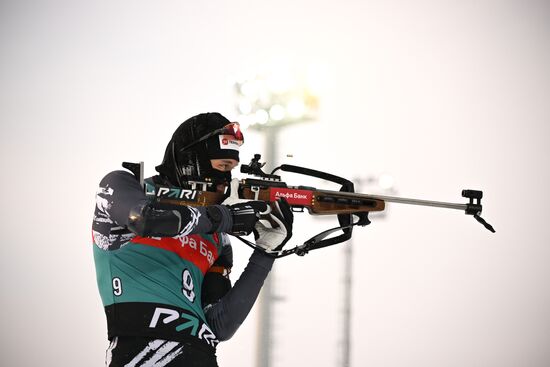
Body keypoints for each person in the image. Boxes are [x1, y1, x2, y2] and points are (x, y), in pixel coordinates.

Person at [92, 112, 293, 367]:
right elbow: (142, 219)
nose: (225, 182)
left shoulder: (217, 238)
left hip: (202, 357)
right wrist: (226, 217)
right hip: (140, 356)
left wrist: (266, 252)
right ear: (192, 163)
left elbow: (221, 326)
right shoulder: (123, 187)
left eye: (230, 171)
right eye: (221, 168)